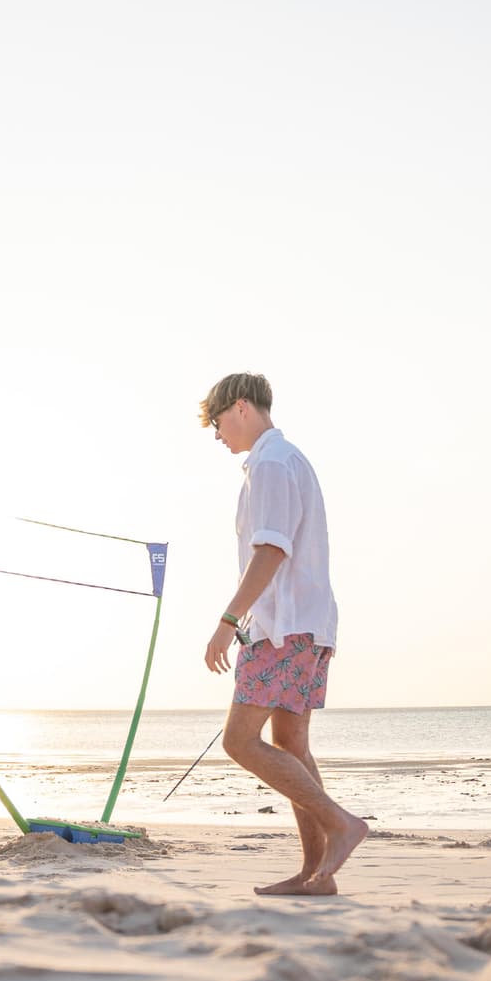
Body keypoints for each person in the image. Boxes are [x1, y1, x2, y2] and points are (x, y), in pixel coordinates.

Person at [199, 372, 369, 895]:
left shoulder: (272, 463)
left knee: (239, 741)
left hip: (283, 626)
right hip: (309, 624)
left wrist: (228, 623)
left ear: (243, 407)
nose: (216, 434)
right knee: (291, 745)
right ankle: (317, 874)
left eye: (218, 421)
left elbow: (271, 550)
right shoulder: (286, 459)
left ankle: (342, 824)